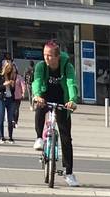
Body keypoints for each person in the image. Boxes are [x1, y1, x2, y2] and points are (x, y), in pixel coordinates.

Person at [31, 39, 79, 186]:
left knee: (66, 137)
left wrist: (72, 100)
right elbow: (37, 81)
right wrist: (37, 95)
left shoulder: (67, 67)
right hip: (45, 95)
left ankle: (69, 173)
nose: (46, 58)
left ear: (57, 56)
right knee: (40, 108)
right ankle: (39, 137)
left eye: (50, 55)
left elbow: (71, 83)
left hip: (62, 98)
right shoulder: (41, 66)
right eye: (45, 54)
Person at [0, 56, 18, 141]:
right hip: (1, 98)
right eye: (8, 68)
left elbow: (13, 90)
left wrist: (12, 85)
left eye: (10, 68)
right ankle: (2, 137)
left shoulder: (11, 76)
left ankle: (10, 137)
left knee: (10, 119)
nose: (9, 69)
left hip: (10, 98)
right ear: (4, 67)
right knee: (1, 117)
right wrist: (4, 85)